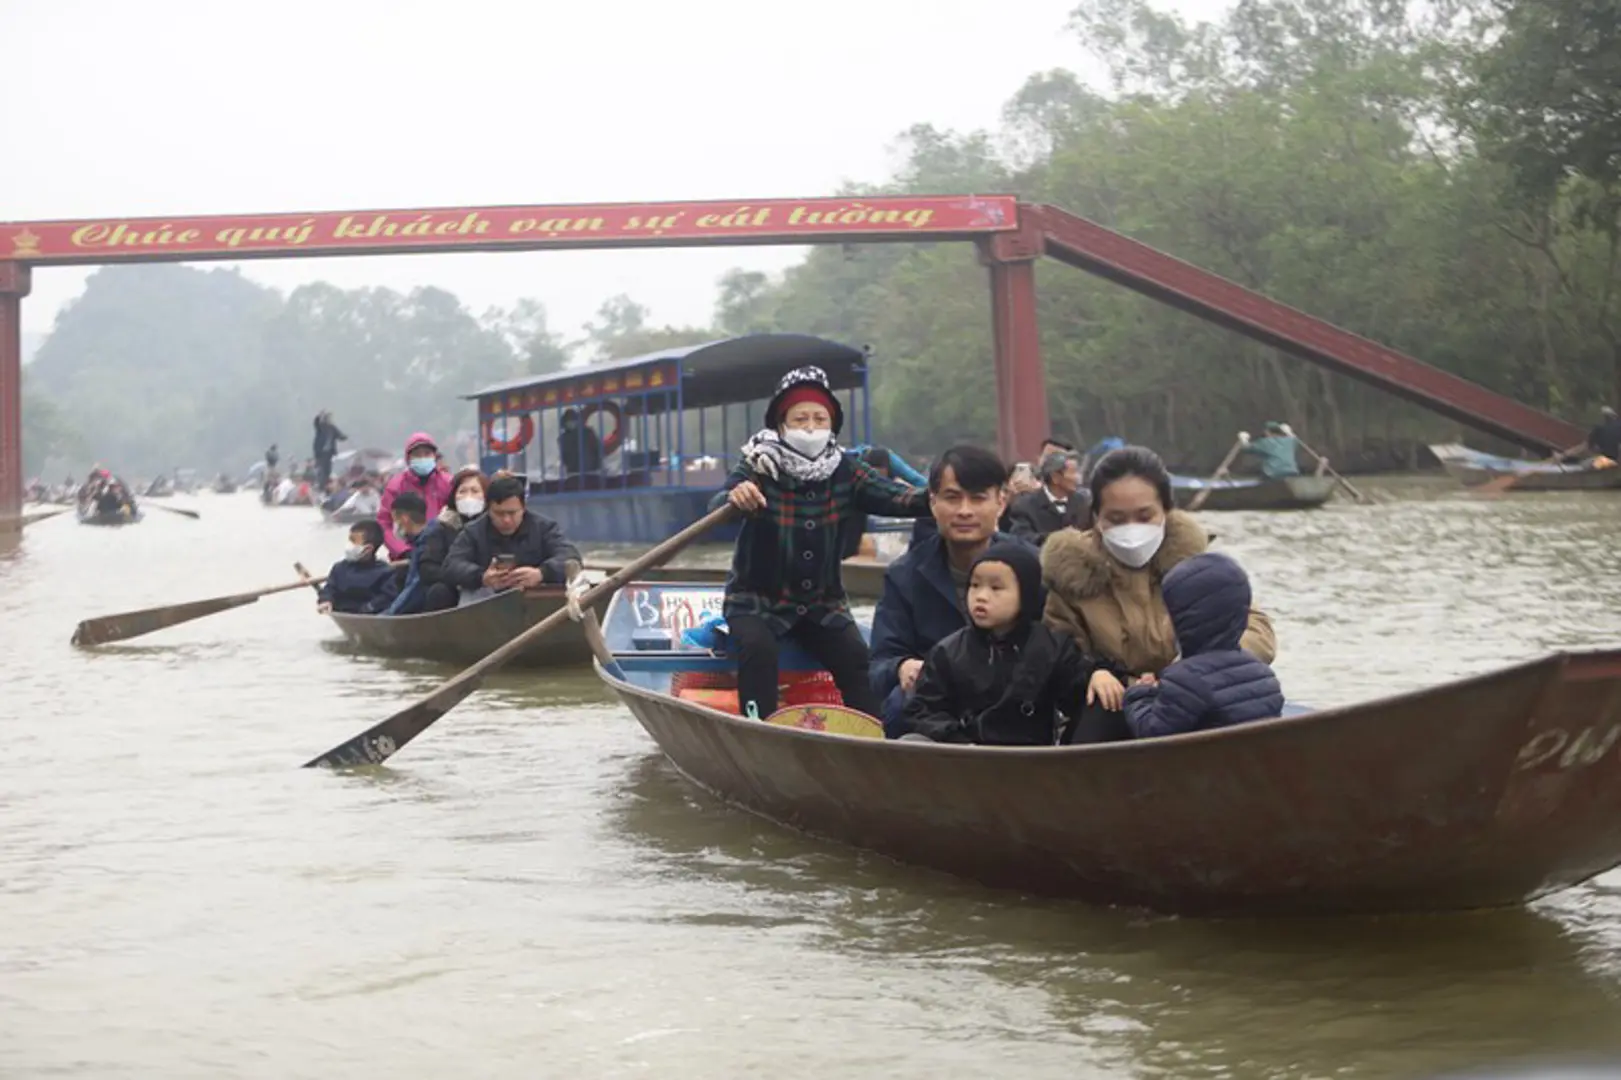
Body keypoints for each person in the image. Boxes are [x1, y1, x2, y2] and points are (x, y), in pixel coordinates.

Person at [715, 365, 930, 720]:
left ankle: (879, 737)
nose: (811, 426)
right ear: (781, 424)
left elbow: (899, 498)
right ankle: (759, 729)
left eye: (820, 417)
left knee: (857, 658)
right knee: (757, 650)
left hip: (822, 604)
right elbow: (719, 505)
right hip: (756, 602)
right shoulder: (759, 464)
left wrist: (945, 498)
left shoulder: (847, 469)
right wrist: (736, 497)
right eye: (800, 418)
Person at [1041, 445, 1276, 744]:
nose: (1131, 529)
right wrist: (1099, 676)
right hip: (1118, 709)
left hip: (1200, 698)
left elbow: (1257, 632)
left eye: (1144, 516)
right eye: (1116, 518)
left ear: (1165, 510)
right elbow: (1059, 653)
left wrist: (1196, 669)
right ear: (1097, 516)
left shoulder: (1199, 564)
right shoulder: (1070, 574)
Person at [869, 444, 1016, 733]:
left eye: (977, 499)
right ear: (933, 502)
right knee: (900, 704)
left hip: (1014, 697)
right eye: (952, 498)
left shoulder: (1030, 569)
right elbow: (878, 664)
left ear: (1001, 501)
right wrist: (902, 667)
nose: (964, 511)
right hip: (938, 701)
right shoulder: (904, 575)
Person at [894, 541, 1094, 745]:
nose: (981, 597)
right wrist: (956, 738)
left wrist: (1100, 673)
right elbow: (922, 710)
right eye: (975, 585)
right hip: (966, 755)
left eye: (996, 588)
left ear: (1025, 594)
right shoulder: (948, 651)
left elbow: (1078, 694)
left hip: (1032, 758)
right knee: (911, 741)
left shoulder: (1053, 647)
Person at [1122, 552, 1284, 738]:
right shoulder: (1263, 674)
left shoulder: (1185, 679)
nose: (1165, 620)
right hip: (1251, 763)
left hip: (1204, 766)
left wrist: (1140, 694)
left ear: (1185, 622)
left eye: (1168, 613)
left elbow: (1153, 732)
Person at [442, 474, 584, 606]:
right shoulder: (473, 532)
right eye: (499, 513)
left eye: (512, 513)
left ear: (523, 507)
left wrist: (542, 573)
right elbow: (451, 565)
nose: (506, 520)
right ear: (488, 509)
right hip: (487, 601)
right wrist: (481, 577)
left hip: (534, 599)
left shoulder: (544, 528)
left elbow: (571, 557)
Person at [389, 468, 487, 614]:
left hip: (493, 587)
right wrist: (466, 579)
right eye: (462, 491)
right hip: (454, 588)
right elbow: (427, 569)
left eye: (474, 491)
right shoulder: (441, 527)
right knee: (439, 591)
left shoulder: (496, 524)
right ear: (454, 496)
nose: (468, 497)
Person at [379, 432, 454, 559]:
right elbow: (384, 523)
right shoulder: (396, 485)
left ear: (434, 456)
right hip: (406, 553)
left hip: (443, 552)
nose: (422, 458)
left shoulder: (448, 482)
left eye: (427, 454)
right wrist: (402, 550)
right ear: (408, 459)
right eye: (417, 455)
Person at [316, 520, 399, 615]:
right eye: (349, 540)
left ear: (368, 549)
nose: (349, 545)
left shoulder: (385, 572)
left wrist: (368, 608)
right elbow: (329, 588)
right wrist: (326, 600)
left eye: (353, 541)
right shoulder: (339, 568)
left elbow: (387, 597)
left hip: (371, 615)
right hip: (343, 612)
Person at [1005, 450, 1083, 545]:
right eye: (1073, 472)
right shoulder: (1025, 506)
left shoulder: (1083, 502)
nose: (1078, 478)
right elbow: (1021, 539)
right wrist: (1058, 538)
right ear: (1055, 477)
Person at [1237, 422, 1302, 478]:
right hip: (1292, 472)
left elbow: (1246, 448)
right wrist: (1289, 432)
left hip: (1273, 474)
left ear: (1267, 431)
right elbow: (1294, 438)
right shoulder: (1290, 441)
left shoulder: (1265, 442)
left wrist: (1243, 439)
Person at [558, 408, 603, 479]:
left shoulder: (588, 433)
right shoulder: (588, 432)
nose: (571, 423)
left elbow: (598, 449)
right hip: (577, 473)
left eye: (572, 420)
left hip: (589, 471)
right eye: (569, 421)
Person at [312, 411, 347, 491]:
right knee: (321, 470)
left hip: (329, 453)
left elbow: (339, 435)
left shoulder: (332, 428)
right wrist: (319, 415)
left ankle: (325, 487)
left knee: (327, 470)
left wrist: (344, 437)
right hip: (320, 453)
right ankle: (320, 486)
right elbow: (316, 422)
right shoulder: (320, 427)